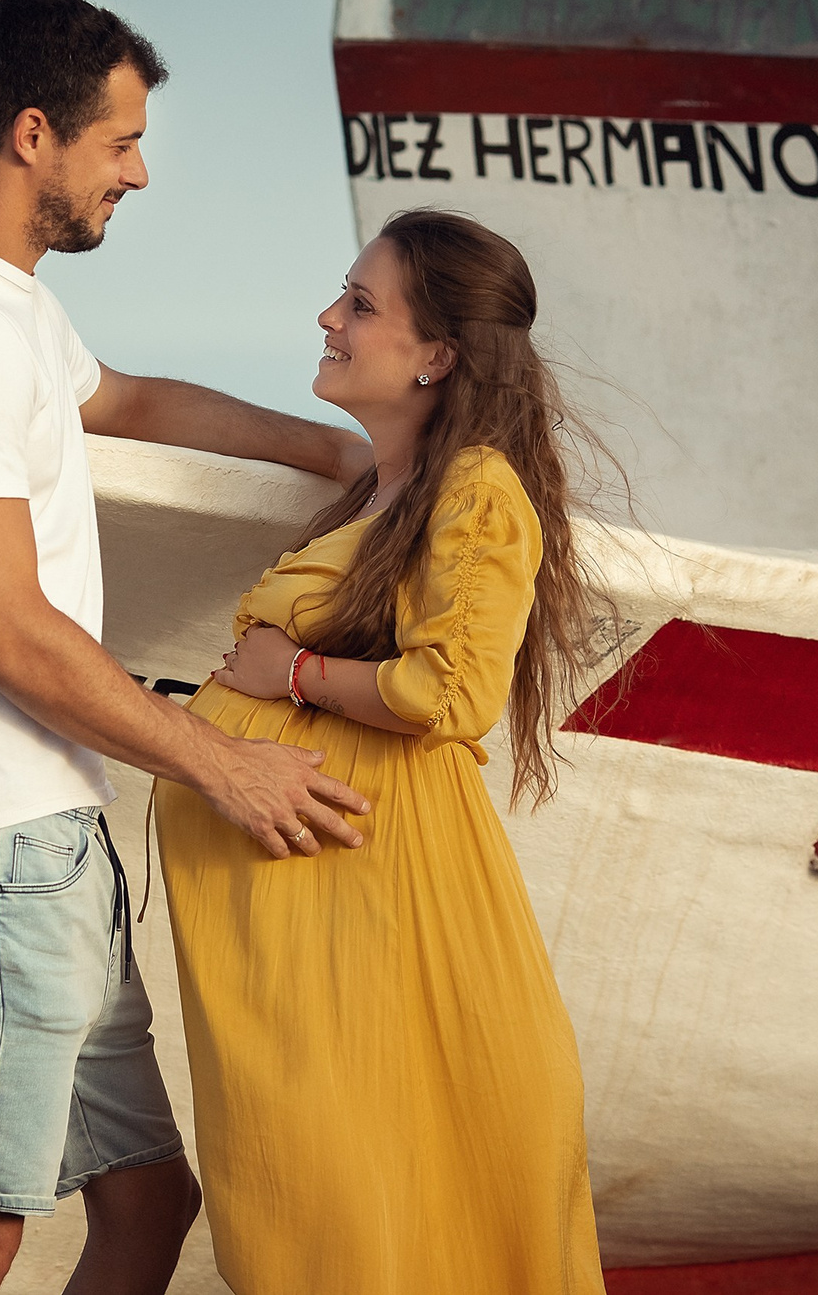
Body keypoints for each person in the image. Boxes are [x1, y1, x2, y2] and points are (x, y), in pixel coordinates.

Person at [0, 0, 376, 1295]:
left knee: (147, 1203)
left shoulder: (6, 306)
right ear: (34, 133)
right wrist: (222, 763)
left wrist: (333, 454)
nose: (138, 170)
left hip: (43, 850)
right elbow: (7, 636)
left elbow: (121, 397)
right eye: (120, 141)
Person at [156, 207, 610, 1293]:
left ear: (438, 355)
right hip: (323, 927)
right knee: (330, 1214)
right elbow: (233, 425)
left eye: (359, 305)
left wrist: (291, 676)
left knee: (368, 1210)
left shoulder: (477, 490)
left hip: (377, 919)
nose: (328, 316)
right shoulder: (381, 485)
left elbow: (453, 691)